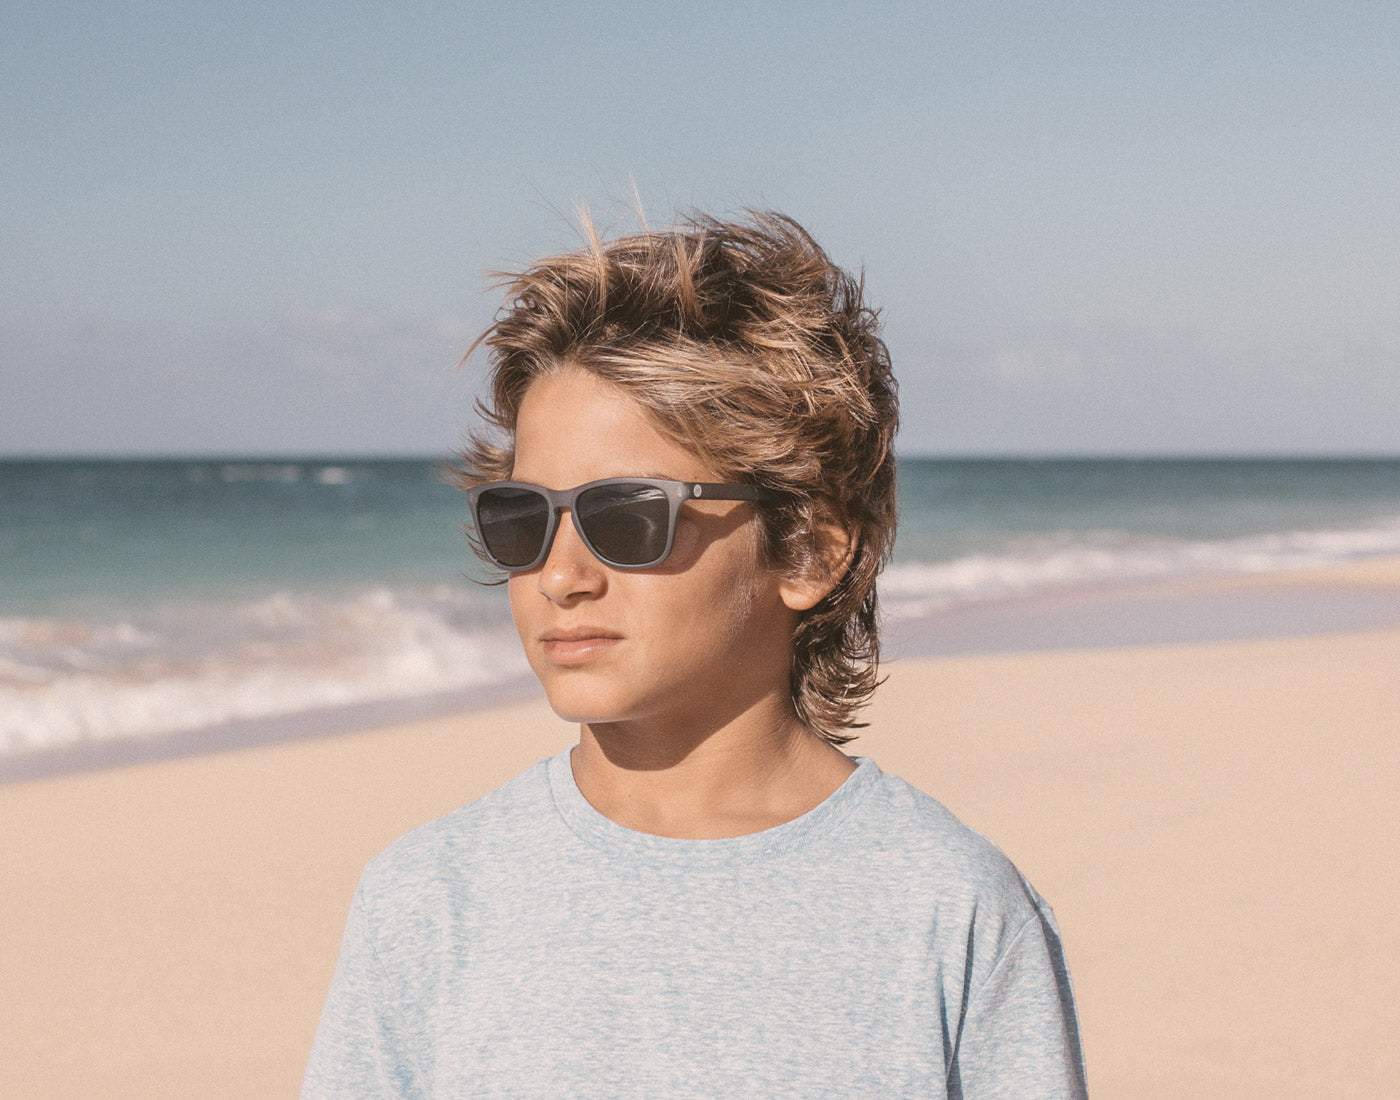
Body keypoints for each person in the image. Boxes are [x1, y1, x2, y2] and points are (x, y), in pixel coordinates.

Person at [302, 211, 1088, 1098]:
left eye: (627, 516)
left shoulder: (951, 910)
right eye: (523, 520)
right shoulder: (428, 900)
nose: (560, 575)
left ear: (805, 552)